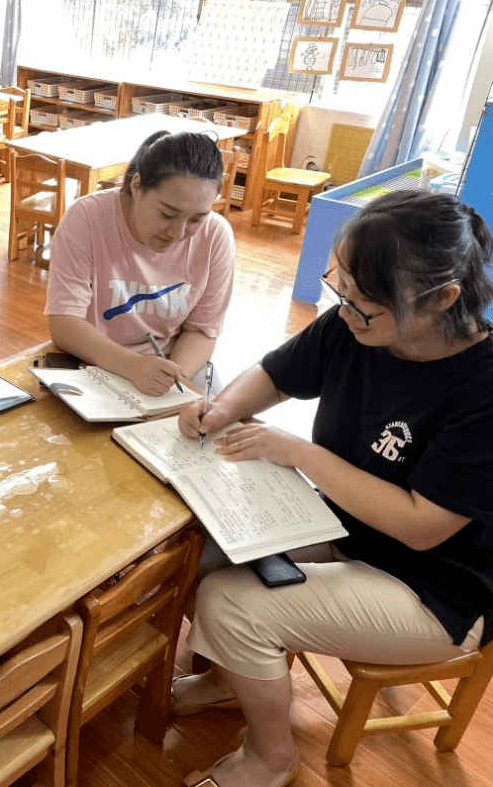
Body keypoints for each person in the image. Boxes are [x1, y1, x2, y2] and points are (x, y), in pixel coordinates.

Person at [172, 190, 493, 787]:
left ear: (444, 298)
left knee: (232, 604)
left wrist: (299, 453)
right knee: (198, 551)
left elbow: (423, 527)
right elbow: (275, 372)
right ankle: (226, 681)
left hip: (435, 588)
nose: (344, 310)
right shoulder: (357, 325)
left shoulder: (483, 387)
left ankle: (270, 760)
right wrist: (218, 410)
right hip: (348, 533)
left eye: (362, 303)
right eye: (338, 288)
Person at [46, 130, 234, 396]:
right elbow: (64, 323)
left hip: (176, 367)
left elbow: (202, 330)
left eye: (196, 220)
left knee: (214, 429)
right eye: (168, 214)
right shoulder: (86, 218)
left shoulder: (216, 236)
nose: (179, 233)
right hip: (95, 361)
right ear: (136, 186)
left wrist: (170, 377)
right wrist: (135, 367)